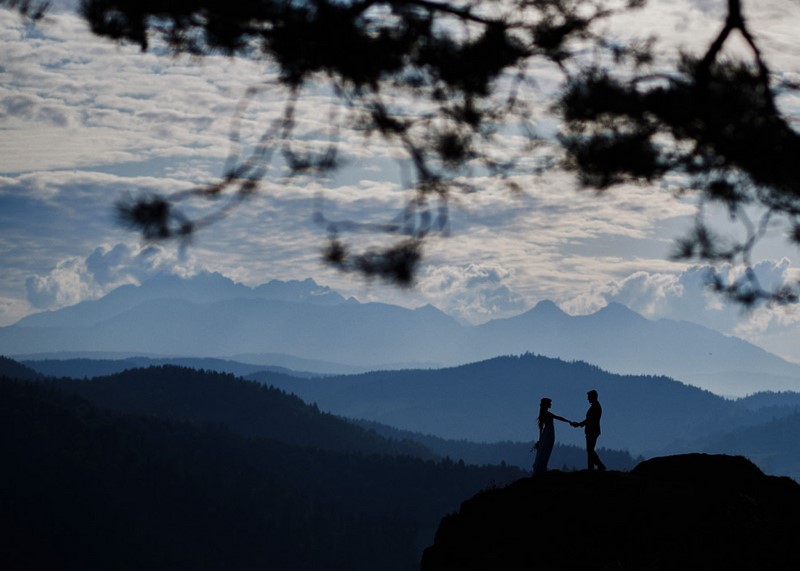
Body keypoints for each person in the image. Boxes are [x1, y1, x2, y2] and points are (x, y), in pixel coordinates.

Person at [532, 397, 572, 475]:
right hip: (549, 434)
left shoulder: (543, 414)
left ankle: (541, 467)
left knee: (543, 451)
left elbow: (540, 429)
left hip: (545, 434)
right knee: (546, 450)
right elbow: (558, 417)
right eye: (549, 403)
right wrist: (568, 421)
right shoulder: (547, 413)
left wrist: (540, 439)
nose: (550, 404)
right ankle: (542, 468)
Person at [571, 389, 606, 471]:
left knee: (590, 450)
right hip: (592, 431)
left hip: (592, 431)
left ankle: (599, 465)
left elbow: (589, 420)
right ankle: (592, 467)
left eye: (589, 397)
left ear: (593, 397)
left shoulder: (595, 407)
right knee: (590, 450)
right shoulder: (595, 406)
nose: (588, 399)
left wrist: (579, 424)